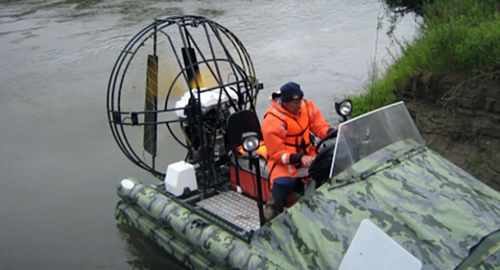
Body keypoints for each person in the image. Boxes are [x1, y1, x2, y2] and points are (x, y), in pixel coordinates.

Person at [261, 81, 334, 221]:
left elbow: (320, 127)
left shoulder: (306, 106)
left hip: (307, 154)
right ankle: (270, 216)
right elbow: (276, 154)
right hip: (284, 161)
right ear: (285, 102)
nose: (298, 106)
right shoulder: (272, 121)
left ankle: (323, 206)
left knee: (328, 165)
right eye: (294, 103)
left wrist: (332, 132)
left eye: (299, 101)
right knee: (283, 183)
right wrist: (299, 159)